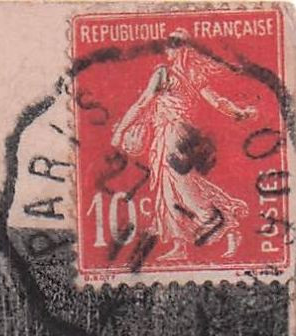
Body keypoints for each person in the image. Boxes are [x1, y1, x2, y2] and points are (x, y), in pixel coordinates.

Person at [109, 31, 257, 261]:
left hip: (172, 135)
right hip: (178, 135)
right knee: (173, 187)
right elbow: (216, 101)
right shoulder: (193, 73)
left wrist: (120, 131)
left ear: (177, 49)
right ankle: (183, 245)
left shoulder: (164, 73)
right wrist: (239, 112)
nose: (167, 51)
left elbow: (142, 102)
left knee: (180, 189)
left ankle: (225, 224)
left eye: (170, 47)